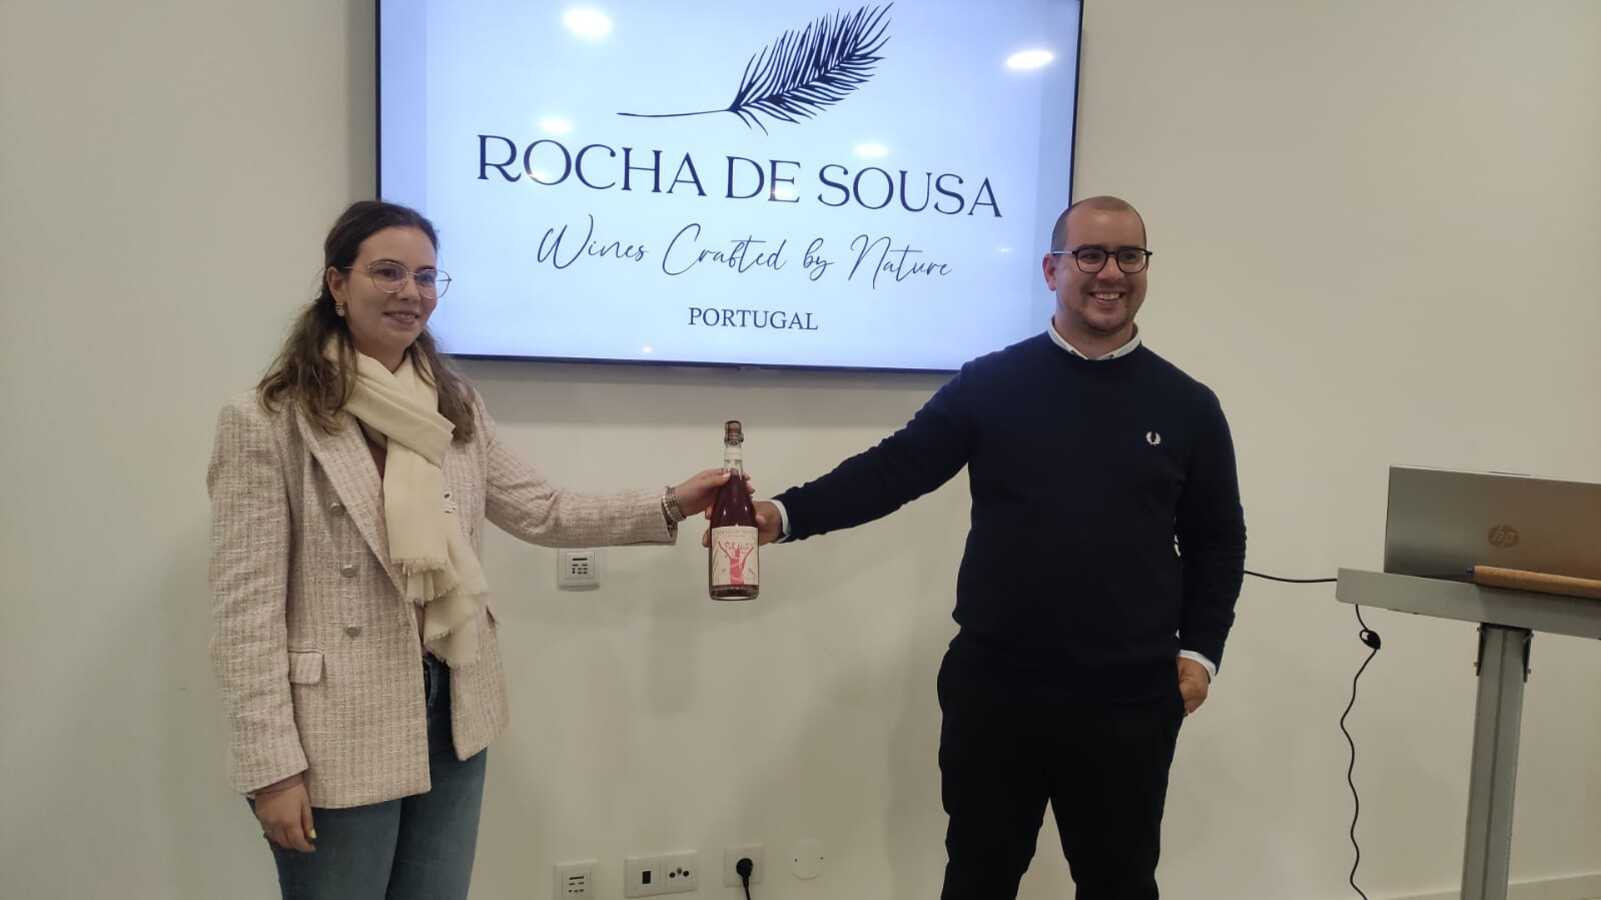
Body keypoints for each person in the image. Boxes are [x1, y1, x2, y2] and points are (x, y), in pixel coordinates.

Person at [208, 200, 747, 900]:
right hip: (335, 724)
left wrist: (671, 500)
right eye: (388, 272)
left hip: (453, 703)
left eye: (426, 276)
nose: (410, 292)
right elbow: (245, 616)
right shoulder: (268, 420)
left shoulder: (452, 405)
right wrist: (271, 769)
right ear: (337, 284)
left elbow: (544, 509)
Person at [740, 196, 1246, 899]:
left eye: (1129, 256)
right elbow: (895, 469)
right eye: (1090, 255)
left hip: (1129, 695)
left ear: (1145, 269)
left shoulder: (1188, 405)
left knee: (1121, 883)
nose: (1110, 273)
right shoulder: (991, 383)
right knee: (979, 877)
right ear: (1051, 269)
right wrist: (783, 513)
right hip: (998, 688)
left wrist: (1201, 652)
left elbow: (1217, 539)